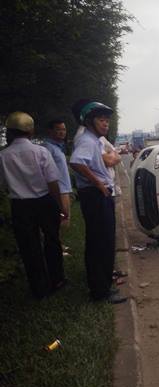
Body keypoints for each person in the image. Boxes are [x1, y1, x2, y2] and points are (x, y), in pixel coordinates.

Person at [0, 112, 67, 298]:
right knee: (52, 241)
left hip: (20, 206)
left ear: (10, 132)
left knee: (29, 247)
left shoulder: (3, 156)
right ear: (30, 131)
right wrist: (58, 204)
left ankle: (39, 288)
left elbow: (3, 185)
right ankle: (57, 279)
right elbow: (53, 181)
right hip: (45, 202)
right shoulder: (41, 152)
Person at [69, 101, 126, 304]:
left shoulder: (93, 140)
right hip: (95, 196)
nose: (106, 124)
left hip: (97, 195)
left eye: (107, 121)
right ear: (91, 122)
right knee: (100, 243)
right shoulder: (87, 141)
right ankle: (100, 291)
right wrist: (99, 184)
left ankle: (102, 285)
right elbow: (76, 162)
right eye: (102, 120)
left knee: (102, 241)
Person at [42, 119, 73, 230]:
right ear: (50, 131)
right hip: (58, 190)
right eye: (58, 129)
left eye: (63, 129)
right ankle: (56, 244)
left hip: (64, 188)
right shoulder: (47, 147)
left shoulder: (58, 147)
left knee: (63, 219)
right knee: (60, 219)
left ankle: (58, 244)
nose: (62, 132)